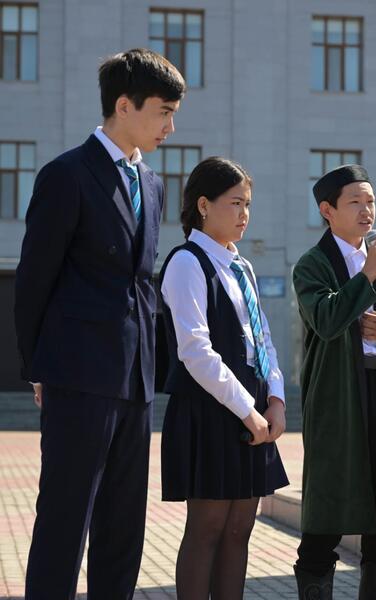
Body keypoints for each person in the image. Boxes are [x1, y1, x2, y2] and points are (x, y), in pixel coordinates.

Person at [14, 48, 185, 600]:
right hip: (78, 374)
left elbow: (142, 283)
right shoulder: (66, 175)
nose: (170, 127)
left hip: (135, 380)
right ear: (124, 105)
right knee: (65, 520)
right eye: (163, 112)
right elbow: (34, 280)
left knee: (123, 525)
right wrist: (39, 367)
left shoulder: (152, 184)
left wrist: (153, 367)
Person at [159, 156, 289, 600]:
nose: (244, 214)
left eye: (247, 204)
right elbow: (195, 350)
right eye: (235, 203)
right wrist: (247, 411)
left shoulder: (242, 267)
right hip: (209, 409)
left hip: (253, 409)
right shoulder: (186, 262)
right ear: (203, 205)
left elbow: (263, 339)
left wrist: (276, 400)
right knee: (208, 528)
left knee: (240, 528)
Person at [292, 165, 376, 599]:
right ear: (328, 210)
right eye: (355, 202)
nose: (367, 211)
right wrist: (367, 275)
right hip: (335, 396)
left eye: (371, 201)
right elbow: (326, 320)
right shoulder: (312, 264)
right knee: (327, 504)